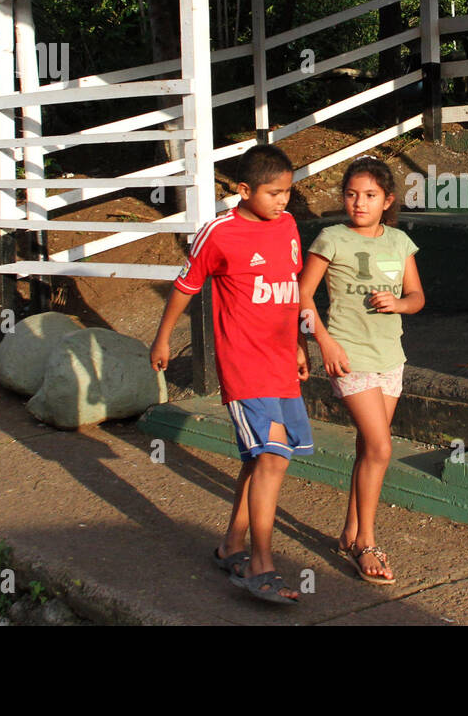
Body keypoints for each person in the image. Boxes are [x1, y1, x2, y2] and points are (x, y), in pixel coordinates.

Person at [149, 144, 311, 605]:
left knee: (260, 459)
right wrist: (163, 338)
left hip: (281, 363)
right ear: (244, 190)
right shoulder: (217, 233)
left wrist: (299, 343)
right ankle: (261, 564)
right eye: (274, 193)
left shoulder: (288, 225)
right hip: (244, 365)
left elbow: (290, 290)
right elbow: (186, 286)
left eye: (287, 192)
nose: (283, 201)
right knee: (273, 457)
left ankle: (231, 547)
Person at [298, 155, 424, 585]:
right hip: (349, 356)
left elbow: (417, 296)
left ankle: (350, 532)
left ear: (387, 200)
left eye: (370, 195)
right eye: (351, 194)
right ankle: (367, 544)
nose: (359, 203)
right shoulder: (331, 238)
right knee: (381, 448)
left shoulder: (400, 242)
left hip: (391, 356)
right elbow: (302, 296)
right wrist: (324, 342)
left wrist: (399, 303)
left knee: (369, 448)